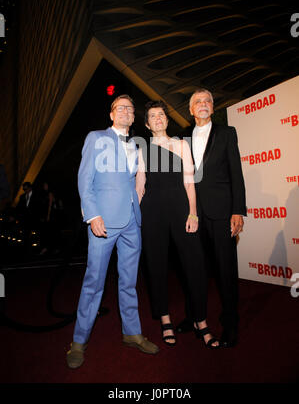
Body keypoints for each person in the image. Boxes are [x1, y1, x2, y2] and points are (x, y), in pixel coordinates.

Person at [66, 94, 159, 369]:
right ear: (111, 114)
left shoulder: (136, 144)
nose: (126, 111)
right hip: (103, 222)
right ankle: (79, 341)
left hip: (132, 221)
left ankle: (131, 333)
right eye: (120, 108)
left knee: (129, 282)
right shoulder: (96, 137)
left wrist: (137, 205)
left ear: (133, 117)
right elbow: (85, 179)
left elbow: (135, 182)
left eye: (130, 109)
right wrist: (92, 214)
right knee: (94, 283)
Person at [136, 101, 219, 348]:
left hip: (181, 209)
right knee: (156, 266)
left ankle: (200, 320)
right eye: (153, 116)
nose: (158, 118)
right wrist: (134, 216)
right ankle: (165, 319)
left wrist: (193, 213)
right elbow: (140, 185)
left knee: (195, 264)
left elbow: (190, 183)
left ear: (166, 120)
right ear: (148, 124)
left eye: (161, 114)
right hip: (152, 212)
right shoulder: (142, 149)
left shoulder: (182, 144)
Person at [176, 88, 246, 347]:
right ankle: (194, 316)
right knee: (193, 269)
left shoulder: (227, 133)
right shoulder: (180, 136)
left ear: (213, 108)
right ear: (191, 109)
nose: (203, 104)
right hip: (191, 214)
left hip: (221, 213)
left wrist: (238, 210)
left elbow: (236, 174)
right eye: (198, 102)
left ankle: (231, 323)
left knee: (226, 270)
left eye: (208, 101)